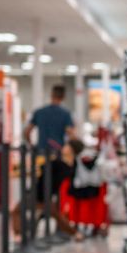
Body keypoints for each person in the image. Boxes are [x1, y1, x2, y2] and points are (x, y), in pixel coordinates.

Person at [25, 84, 75, 234]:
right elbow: (71, 134)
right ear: (63, 97)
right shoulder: (65, 114)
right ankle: (57, 226)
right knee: (56, 191)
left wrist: (32, 145)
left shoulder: (39, 112)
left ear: (51, 94)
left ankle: (37, 219)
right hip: (57, 158)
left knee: (39, 189)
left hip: (40, 156)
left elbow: (27, 131)